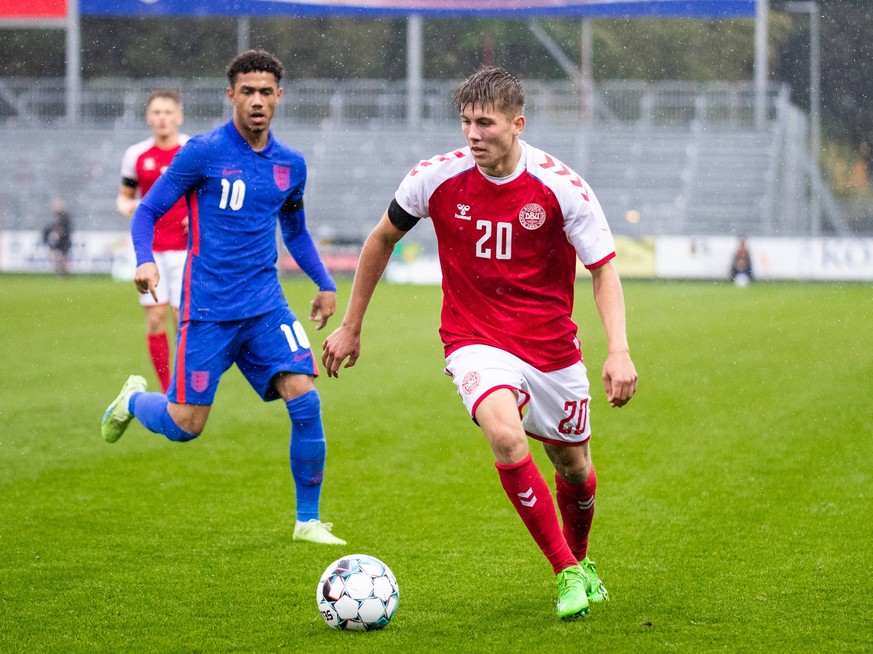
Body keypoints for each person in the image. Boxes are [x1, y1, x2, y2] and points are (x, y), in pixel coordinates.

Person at [322, 67, 638, 618]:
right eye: (466, 121)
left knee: (573, 465)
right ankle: (565, 571)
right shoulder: (434, 178)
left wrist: (618, 349)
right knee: (505, 435)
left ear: (517, 124)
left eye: (485, 123)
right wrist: (352, 324)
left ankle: (581, 559)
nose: (472, 133)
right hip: (474, 339)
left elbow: (603, 269)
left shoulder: (561, 186)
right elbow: (381, 239)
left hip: (550, 347)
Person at [101, 50, 345, 546]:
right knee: (186, 425)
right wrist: (143, 259)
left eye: (266, 91)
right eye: (247, 91)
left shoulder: (290, 164)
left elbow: (294, 233)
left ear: (280, 96)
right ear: (231, 95)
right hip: (208, 311)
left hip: (266, 307)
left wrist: (324, 282)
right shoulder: (203, 152)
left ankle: (308, 521)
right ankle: (133, 400)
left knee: (306, 398)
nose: (257, 101)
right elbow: (147, 211)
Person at [117, 90, 190, 392]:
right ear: (149, 117)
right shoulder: (136, 155)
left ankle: (187, 384)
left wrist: (197, 218)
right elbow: (124, 198)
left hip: (186, 249)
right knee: (156, 318)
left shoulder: (189, 150)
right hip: (150, 250)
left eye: (168, 112)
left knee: (181, 318)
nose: (162, 118)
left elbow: (206, 195)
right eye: (156, 112)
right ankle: (166, 390)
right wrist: (131, 208)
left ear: (179, 116)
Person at [43, 198, 73, 276]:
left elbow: (66, 229)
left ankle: (63, 274)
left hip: (64, 242)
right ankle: (61, 273)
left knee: (62, 258)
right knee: (56, 257)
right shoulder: (56, 217)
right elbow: (48, 229)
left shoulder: (64, 217)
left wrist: (58, 233)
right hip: (58, 242)